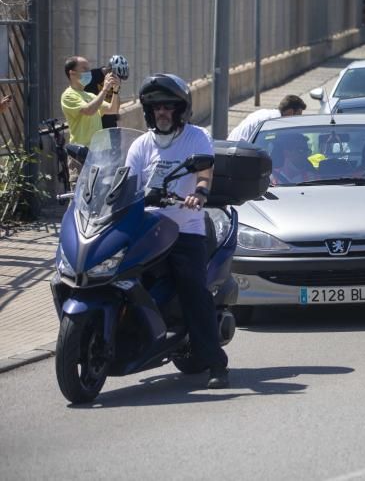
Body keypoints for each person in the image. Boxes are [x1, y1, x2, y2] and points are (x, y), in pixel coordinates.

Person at [125, 74, 229, 389]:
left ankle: (216, 365)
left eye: (169, 106)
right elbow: (126, 182)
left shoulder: (196, 138)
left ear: (181, 109)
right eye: (157, 107)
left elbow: (204, 172)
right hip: (146, 228)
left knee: (193, 290)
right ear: (148, 111)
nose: (163, 112)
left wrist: (199, 193)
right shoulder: (141, 144)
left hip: (185, 229)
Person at [61, 56, 120, 183]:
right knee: (79, 196)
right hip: (81, 154)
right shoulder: (68, 95)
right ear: (72, 73)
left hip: (99, 154)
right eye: (84, 69)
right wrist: (104, 89)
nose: (89, 72)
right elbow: (89, 110)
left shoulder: (90, 95)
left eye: (89, 69)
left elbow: (112, 109)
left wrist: (115, 90)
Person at [227, 95, 307, 143]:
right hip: (238, 153)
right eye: (298, 115)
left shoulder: (267, 113)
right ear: (290, 112)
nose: (298, 120)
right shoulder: (273, 122)